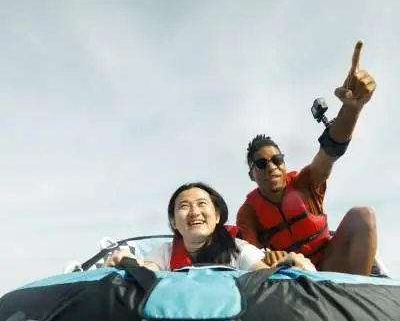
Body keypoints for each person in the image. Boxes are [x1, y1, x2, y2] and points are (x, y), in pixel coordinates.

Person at [236, 40, 377, 275]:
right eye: (261, 163)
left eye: (276, 159)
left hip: (332, 266)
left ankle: (356, 298)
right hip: (294, 277)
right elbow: (249, 255)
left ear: (284, 163)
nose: (271, 166)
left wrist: (352, 109)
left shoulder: (306, 182)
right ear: (252, 174)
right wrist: (269, 256)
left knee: (362, 216)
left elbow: (330, 151)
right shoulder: (248, 212)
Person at [105, 182, 316, 271]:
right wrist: (126, 262)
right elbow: (146, 269)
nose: (195, 212)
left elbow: (263, 274)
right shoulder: (164, 253)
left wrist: (289, 265)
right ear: (173, 222)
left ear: (216, 216)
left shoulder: (238, 250)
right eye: (184, 206)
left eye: (202, 204)